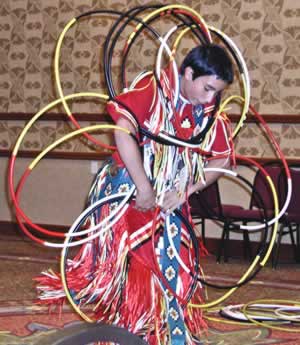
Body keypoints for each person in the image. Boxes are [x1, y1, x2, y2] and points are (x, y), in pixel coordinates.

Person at [36, 44, 234, 345]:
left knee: (176, 265)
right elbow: (123, 131)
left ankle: (167, 336)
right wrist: (143, 186)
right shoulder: (152, 89)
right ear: (188, 73)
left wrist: (186, 190)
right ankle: (129, 334)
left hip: (170, 196)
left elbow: (223, 160)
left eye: (216, 92)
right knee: (137, 271)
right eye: (207, 88)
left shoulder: (209, 109)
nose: (210, 98)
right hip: (128, 189)